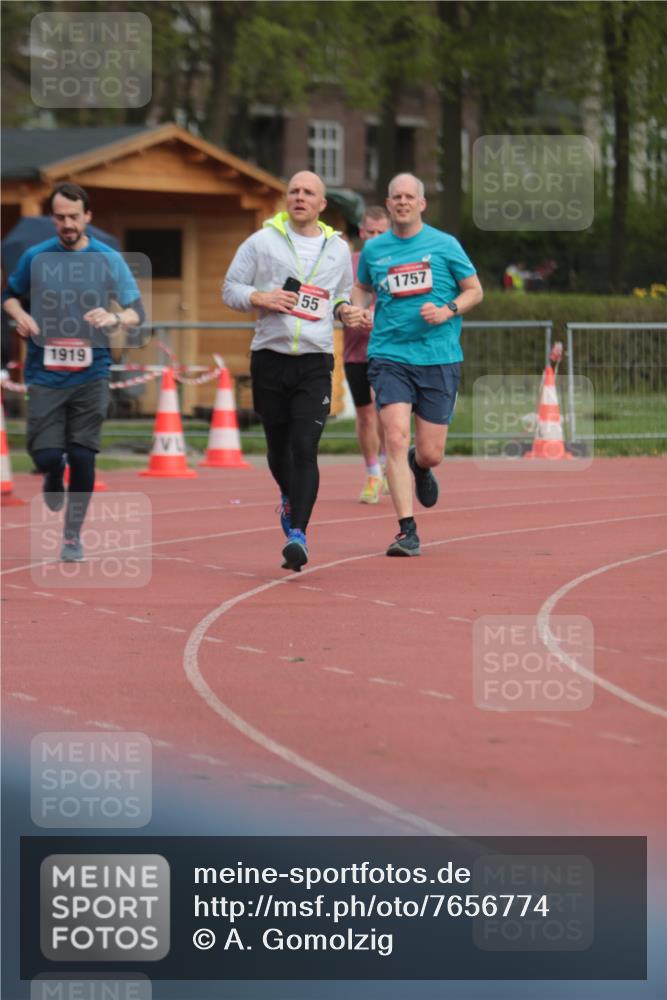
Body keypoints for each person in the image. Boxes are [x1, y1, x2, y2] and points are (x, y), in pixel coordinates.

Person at [223, 170, 364, 572]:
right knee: (277, 447)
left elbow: (340, 294)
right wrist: (259, 297)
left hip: (315, 362)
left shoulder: (336, 248)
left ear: (322, 205)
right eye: (294, 191)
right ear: (287, 199)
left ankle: (298, 535)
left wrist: (344, 310)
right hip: (270, 356)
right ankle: (288, 495)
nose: (300, 197)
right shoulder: (261, 241)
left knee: (305, 446)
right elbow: (229, 288)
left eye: (309, 193)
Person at [2, 183, 143, 561]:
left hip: (91, 372)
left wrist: (114, 316)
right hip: (44, 372)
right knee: (45, 454)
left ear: (88, 217)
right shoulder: (35, 257)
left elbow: (135, 311)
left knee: (83, 456)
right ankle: (51, 473)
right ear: (53, 218)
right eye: (60, 217)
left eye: (74, 217)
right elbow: (9, 296)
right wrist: (21, 315)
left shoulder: (108, 259)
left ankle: (71, 536)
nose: (67, 224)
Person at [352, 173, 483, 557]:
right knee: (393, 436)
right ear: (389, 204)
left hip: (438, 357)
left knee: (430, 453)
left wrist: (447, 311)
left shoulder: (445, 245)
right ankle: (407, 530)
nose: (402, 202)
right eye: (396, 197)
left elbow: (475, 290)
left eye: (410, 197)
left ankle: (420, 467)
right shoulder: (376, 251)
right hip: (389, 355)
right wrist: (356, 309)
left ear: (421, 204)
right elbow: (362, 286)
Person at [342, 206, 390, 503]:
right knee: (365, 415)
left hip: (387, 349)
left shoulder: (394, 260)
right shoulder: (348, 263)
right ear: (361, 232)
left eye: (380, 233)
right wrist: (349, 313)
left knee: (388, 413)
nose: (374, 238)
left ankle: (388, 464)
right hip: (355, 351)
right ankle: (373, 472)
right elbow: (336, 299)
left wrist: (376, 315)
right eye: (369, 232)